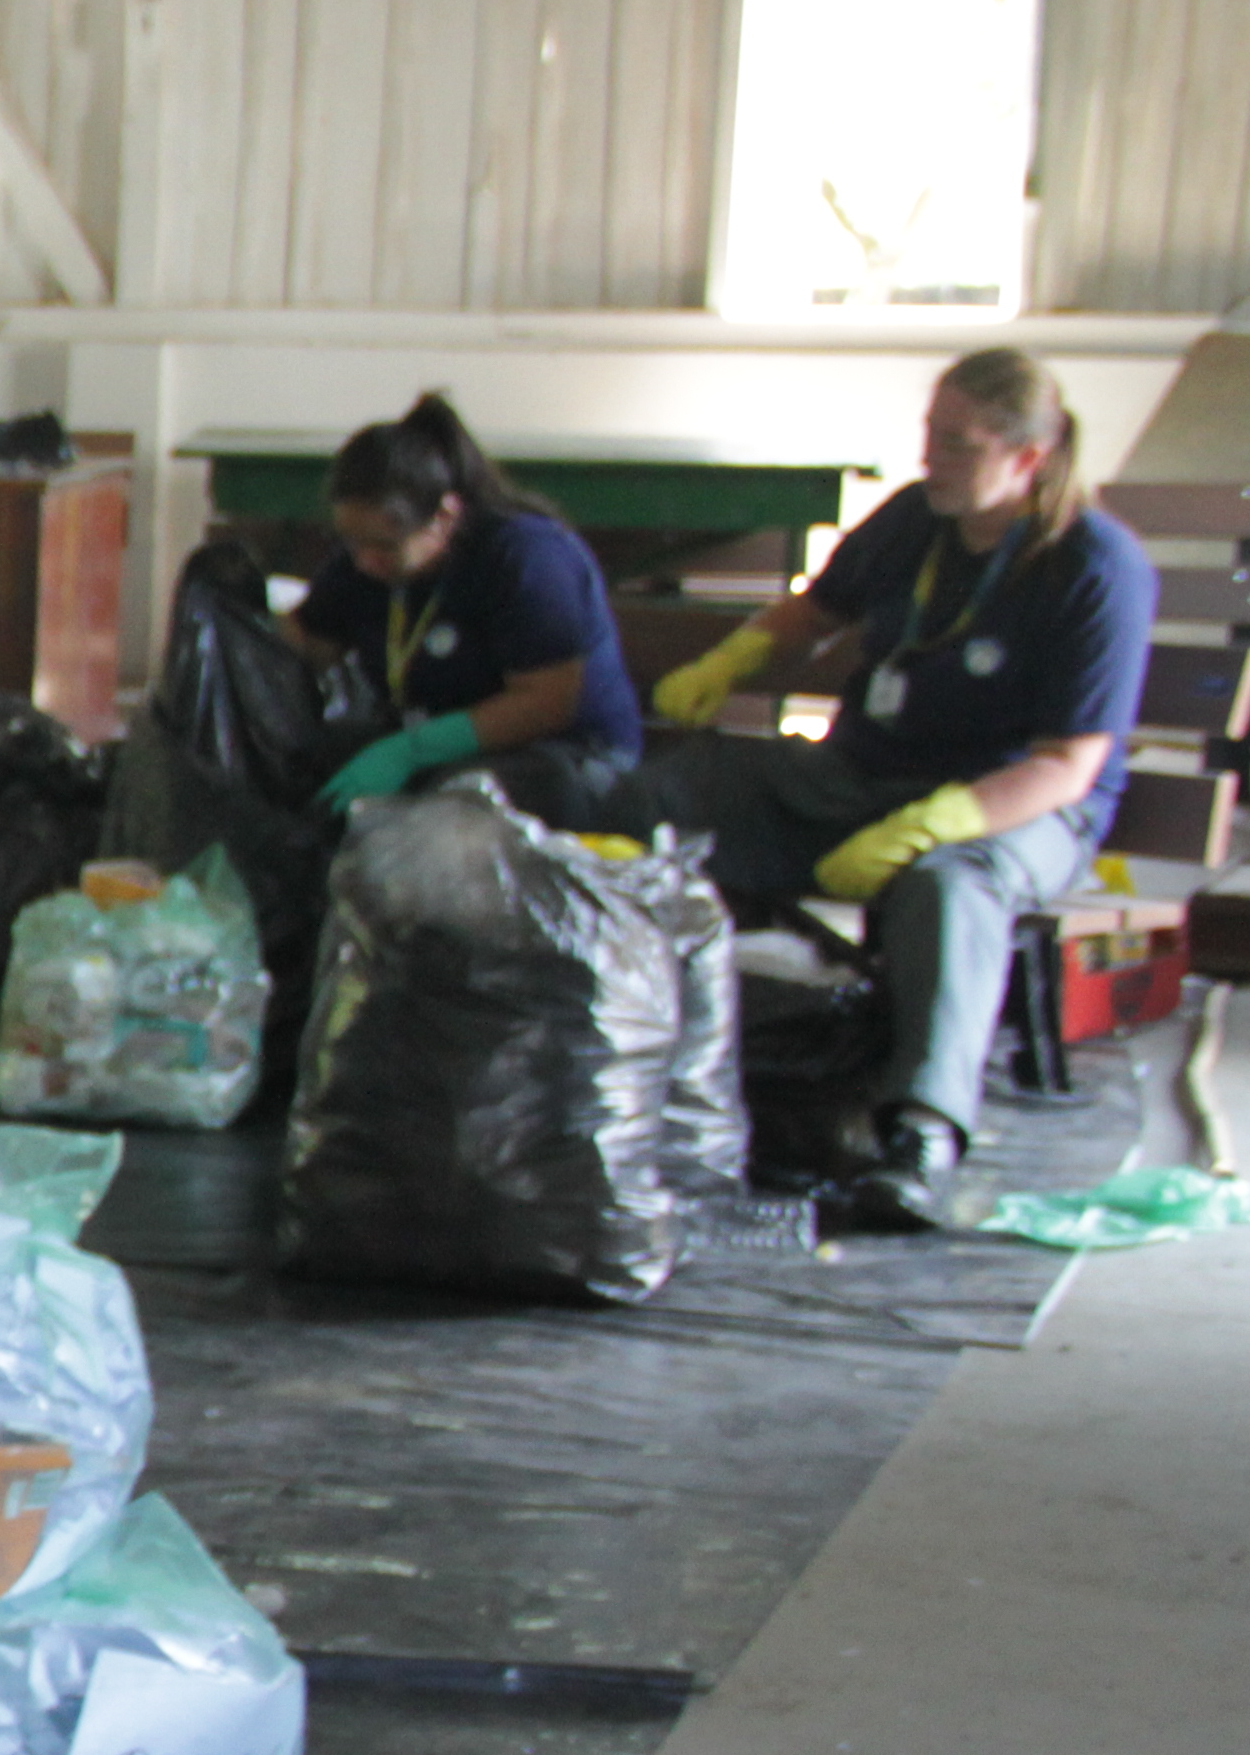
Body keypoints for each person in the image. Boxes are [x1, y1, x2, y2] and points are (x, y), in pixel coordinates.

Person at [622, 349, 1157, 1233]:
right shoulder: (916, 520)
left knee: (950, 888)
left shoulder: (1096, 567)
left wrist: (936, 825)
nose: (931, 459)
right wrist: (738, 661)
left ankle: (920, 1138)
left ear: (1026, 458)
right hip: (863, 776)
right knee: (685, 789)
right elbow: (812, 612)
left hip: (1017, 806)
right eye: (929, 436)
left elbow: (1069, 763)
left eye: (958, 445)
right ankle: (628, 1054)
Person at [278, 395, 640, 829]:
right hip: (433, 741)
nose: (363, 562)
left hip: (565, 757)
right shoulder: (363, 562)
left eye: (385, 547)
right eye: (352, 543)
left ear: (444, 517)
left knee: (452, 810)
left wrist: (410, 750)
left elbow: (548, 702)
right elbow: (311, 641)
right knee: (295, 766)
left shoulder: (527, 557)